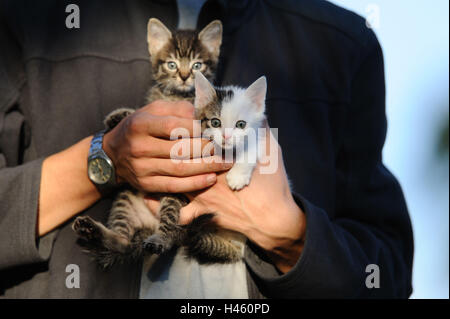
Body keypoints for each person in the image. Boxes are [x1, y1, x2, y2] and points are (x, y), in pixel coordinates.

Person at [0, 0, 413, 298]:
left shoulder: (340, 44)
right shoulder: (27, 18)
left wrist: (295, 237)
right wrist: (101, 162)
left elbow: (388, 272)